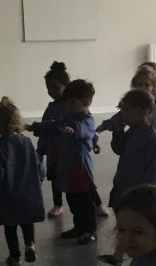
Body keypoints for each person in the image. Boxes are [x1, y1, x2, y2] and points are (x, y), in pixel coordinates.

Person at [98, 90, 156, 266]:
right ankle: (118, 256)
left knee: (136, 226)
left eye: (128, 111)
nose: (123, 115)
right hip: (122, 186)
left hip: (139, 194)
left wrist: (146, 195)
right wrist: (118, 132)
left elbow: (154, 172)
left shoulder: (152, 140)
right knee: (125, 225)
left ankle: (143, 257)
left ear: (144, 111)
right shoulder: (133, 131)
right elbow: (119, 149)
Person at [0, 97, 45, 265]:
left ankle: (14, 255)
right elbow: (39, 165)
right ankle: (30, 245)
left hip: (8, 195)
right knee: (27, 221)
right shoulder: (27, 142)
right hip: (28, 192)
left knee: (10, 226)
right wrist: (38, 181)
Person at [51, 79, 99, 245]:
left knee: (85, 201)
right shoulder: (69, 117)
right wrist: (35, 127)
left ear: (85, 103)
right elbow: (54, 125)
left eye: (72, 103)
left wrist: (74, 130)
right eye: (68, 102)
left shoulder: (87, 120)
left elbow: (84, 130)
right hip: (69, 167)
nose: (68, 106)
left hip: (81, 168)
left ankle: (90, 230)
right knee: (73, 200)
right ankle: (79, 227)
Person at [31, 61, 72, 218]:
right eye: (49, 89)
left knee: (78, 177)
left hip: (69, 151)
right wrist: (41, 149)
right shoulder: (51, 108)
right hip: (54, 151)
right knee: (55, 178)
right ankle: (58, 204)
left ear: (66, 86)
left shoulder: (72, 106)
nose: (51, 92)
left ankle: (96, 203)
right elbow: (45, 131)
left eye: (56, 88)